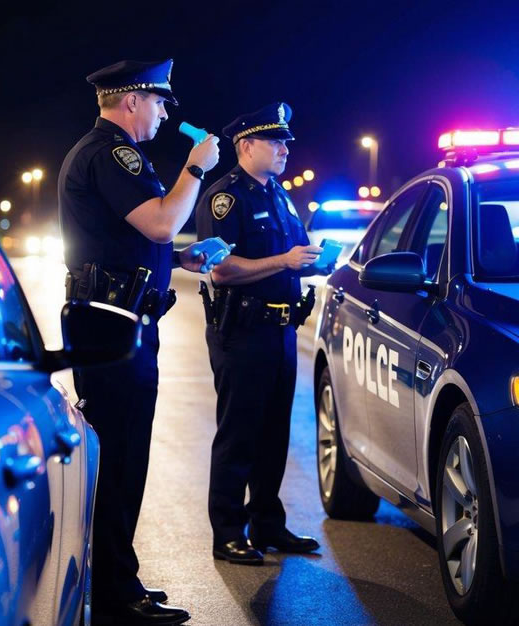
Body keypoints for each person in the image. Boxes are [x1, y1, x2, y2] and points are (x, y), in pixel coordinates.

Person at [59, 58, 219, 624]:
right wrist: (196, 169)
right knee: (120, 460)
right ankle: (114, 596)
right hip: (112, 325)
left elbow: (133, 238)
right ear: (131, 101)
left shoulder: (111, 155)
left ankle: (119, 582)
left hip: (119, 320)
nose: (165, 112)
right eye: (159, 101)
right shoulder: (113, 154)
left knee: (126, 459)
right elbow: (158, 221)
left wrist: (178, 257)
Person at [195, 102, 328, 565]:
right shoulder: (225, 197)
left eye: (286, 141)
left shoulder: (279, 195)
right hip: (243, 330)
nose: (285, 148)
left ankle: (268, 524)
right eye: (275, 141)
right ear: (246, 145)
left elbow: (291, 253)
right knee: (239, 435)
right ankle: (228, 532)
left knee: (274, 434)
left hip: (281, 330)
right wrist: (285, 261)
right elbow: (222, 271)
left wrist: (311, 260)